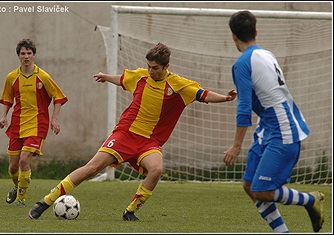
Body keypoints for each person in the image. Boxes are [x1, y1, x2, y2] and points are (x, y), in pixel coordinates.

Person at [28, 42, 237, 221]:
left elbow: (203, 94)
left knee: (156, 170)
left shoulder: (179, 85)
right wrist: (105, 76)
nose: (151, 70)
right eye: (149, 66)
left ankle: (130, 212)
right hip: (125, 134)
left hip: (149, 142)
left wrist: (225, 98)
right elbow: (122, 79)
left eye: (155, 68)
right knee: (92, 168)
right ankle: (45, 202)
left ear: (166, 67)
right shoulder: (140, 76)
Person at [223, 10, 324, 233]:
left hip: (282, 131)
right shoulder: (266, 54)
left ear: (233, 36)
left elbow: (244, 108)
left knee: (262, 190)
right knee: (250, 186)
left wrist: (237, 145)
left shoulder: (242, 63)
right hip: (269, 128)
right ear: (256, 32)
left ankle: (310, 200)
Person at [0, 39, 68, 207]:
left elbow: (58, 98)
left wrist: (55, 118)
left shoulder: (42, 76)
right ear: (18, 56)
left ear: (34, 55)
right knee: (13, 168)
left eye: (29, 53)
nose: (26, 56)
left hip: (38, 124)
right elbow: (7, 99)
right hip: (17, 124)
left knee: (24, 160)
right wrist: (4, 116)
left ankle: (21, 199)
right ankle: (17, 186)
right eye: (23, 53)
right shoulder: (11, 77)